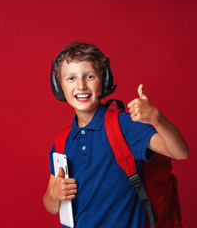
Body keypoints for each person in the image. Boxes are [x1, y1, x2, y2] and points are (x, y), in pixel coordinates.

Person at [43, 42, 189, 228]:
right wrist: (54, 195)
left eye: (89, 76)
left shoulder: (124, 125)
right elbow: (51, 206)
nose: (81, 85)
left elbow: (180, 152)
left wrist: (157, 120)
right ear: (59, 87)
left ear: (104, 81)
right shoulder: (62, 141)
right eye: (71, 78)